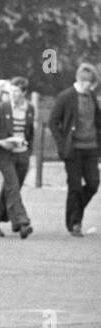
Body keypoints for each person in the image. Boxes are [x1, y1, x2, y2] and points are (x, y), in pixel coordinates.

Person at [48, 62, 101, 236]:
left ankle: (75, 214)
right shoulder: (66, 97)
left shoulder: (92, 97)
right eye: (88, 83)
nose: (91, 86)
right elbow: (53, 122)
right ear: (80, 80)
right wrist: (62, 144)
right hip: (73, 149)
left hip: (91, 147)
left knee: (93, 184)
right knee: (75, 186)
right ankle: (74, 223)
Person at [0, 76, 35, 238]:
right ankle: (22, 222)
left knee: (11, 189)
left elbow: (30, 132)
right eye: (11, 91)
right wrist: (0, 142)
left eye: (17, 91)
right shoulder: (0, 108)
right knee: (12, 186)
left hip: (21, 154)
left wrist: (27, 149)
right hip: (3, 154)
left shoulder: (29, 109)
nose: (13, 94)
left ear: (24, 92)